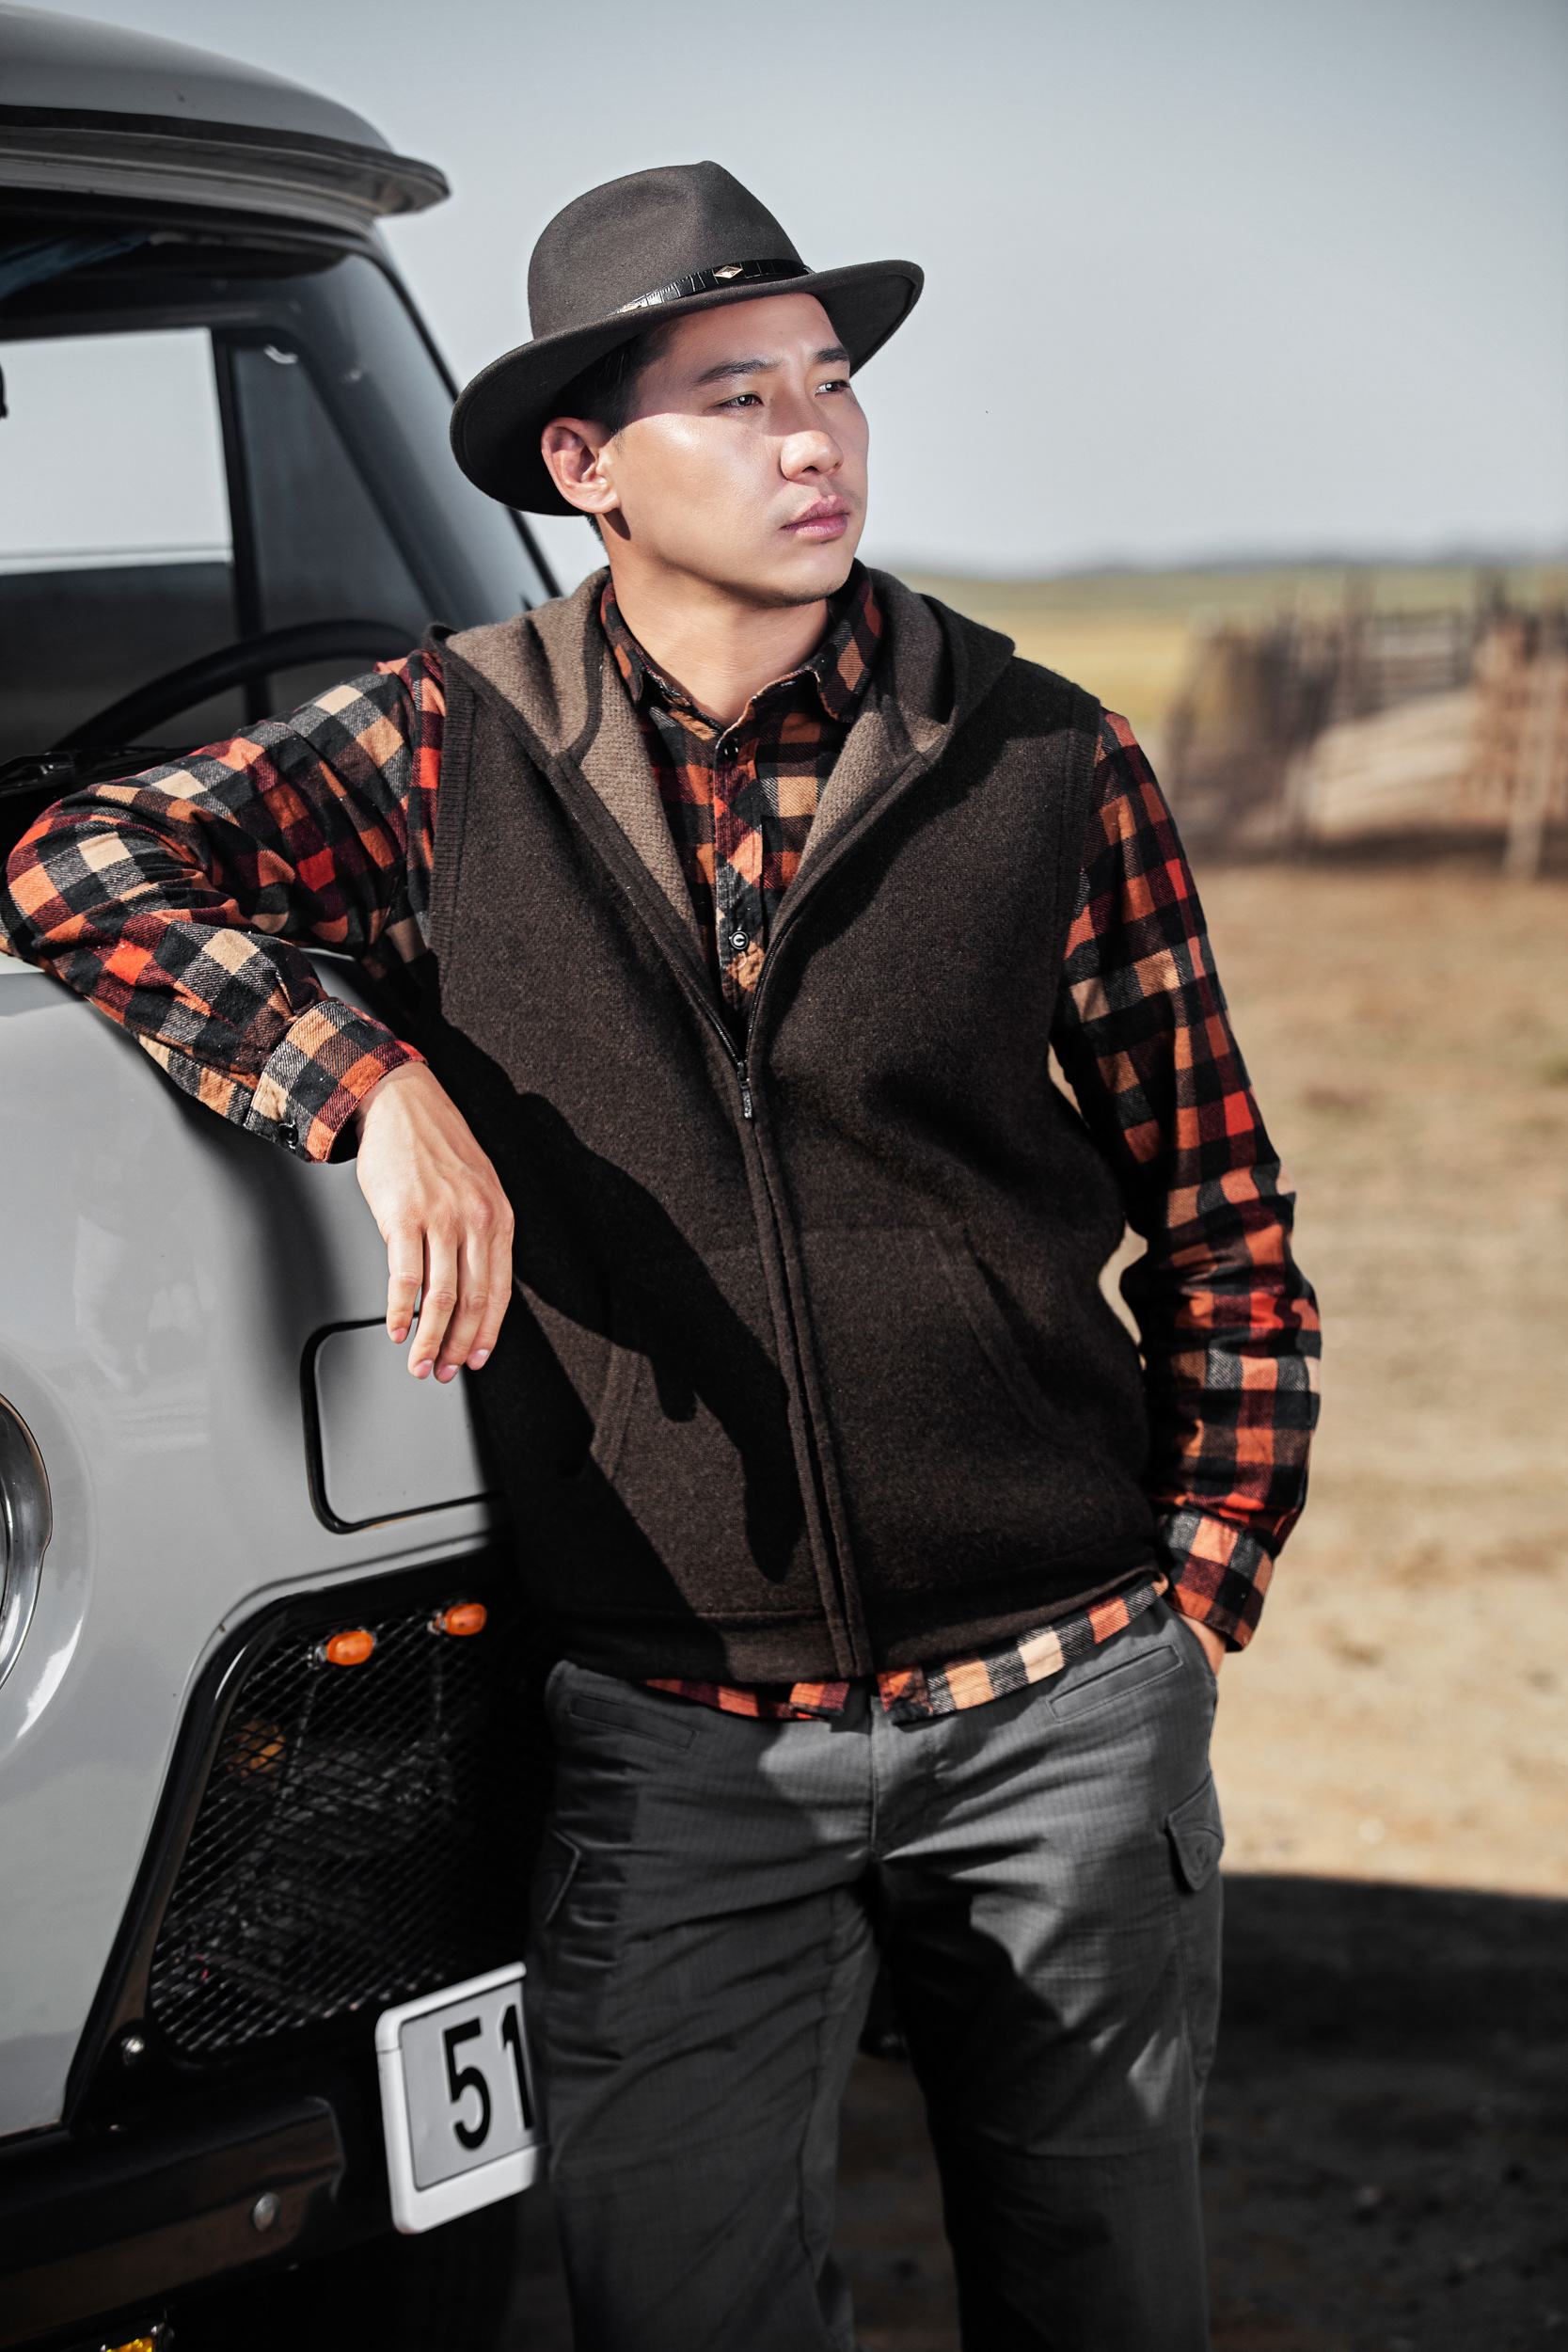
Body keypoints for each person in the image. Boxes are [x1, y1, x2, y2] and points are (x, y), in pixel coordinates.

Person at [0, 162, 1319, 2352]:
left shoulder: (1044, 756)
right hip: (682, 1752)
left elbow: (1225, 1212)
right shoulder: (445, 745)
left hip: (1061, 1713)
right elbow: (85, 860)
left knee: (1107, 2300)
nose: (816, 438)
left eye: (830, 381)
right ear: (586, 465)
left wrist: (1196, 1589)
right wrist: (360, 1079)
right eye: (739, 395)